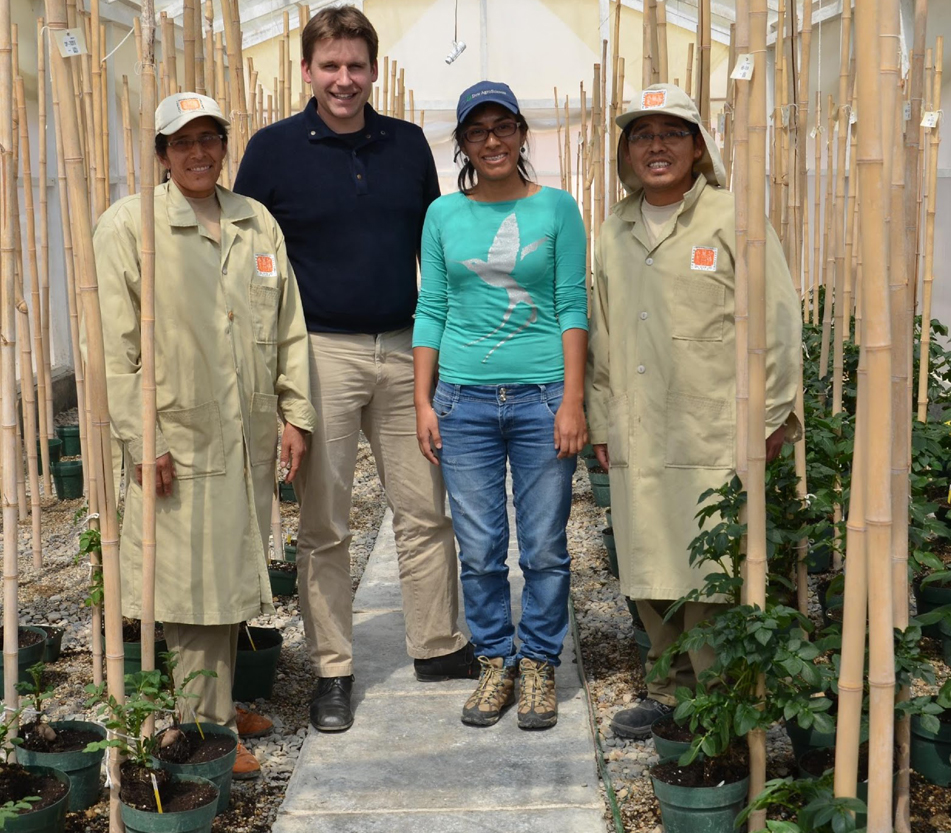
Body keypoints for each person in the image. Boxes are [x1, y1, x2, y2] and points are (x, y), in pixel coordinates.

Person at [233, 5, 473, 734]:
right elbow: (251, 269)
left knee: (426, 508)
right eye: (330, 66)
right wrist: (279, 388)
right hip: (319, 352)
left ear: (373, 69)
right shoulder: (271, 151)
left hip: (403, 346)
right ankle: (333, 666)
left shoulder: (405, 146)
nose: (344, 79)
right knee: (325, 523)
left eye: (356, 66)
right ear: (306, 71)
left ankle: (436, 643)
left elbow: (434, 250)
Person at [94, 92, 316, 777]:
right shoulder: (130, 226)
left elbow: (288, 324)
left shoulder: (255, 222)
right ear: (161, 154)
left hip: (244, 429)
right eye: (181, 142)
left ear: (224, 146)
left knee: (230, 566)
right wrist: (142, 436)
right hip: (180, 435)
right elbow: (114, 347)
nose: (197, 153)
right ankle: (205, 726)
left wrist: (295, 410)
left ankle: (213, 700)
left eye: (209, 139)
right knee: (190, 582)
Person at [586, 84, 802, 740]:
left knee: (711, 563)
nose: (657, 146)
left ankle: (718, 695)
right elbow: (602, 333)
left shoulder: (733, 219)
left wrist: (770, 415)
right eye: (642, 135)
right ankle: (667, 688)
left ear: (698, 146)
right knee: (648, 557)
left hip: (716, 426)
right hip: (639, 421)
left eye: (672, 133)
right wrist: (601, 419)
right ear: (626, 152)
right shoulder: (613, 230)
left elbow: (779, 318)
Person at [414, 82, 588, 730]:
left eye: (503, 127)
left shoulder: (557, 209)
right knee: (481, 546)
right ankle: (496, 659)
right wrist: (423, 401)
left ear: (521, 134)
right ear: (461, 143)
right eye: (477, 130)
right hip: (463, 402)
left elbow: (572, 304)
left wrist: (571, 400)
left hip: (543, 397)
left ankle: (539, 660)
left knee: (544, 545)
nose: (491, 140)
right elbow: (431, 308)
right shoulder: (443, 215)